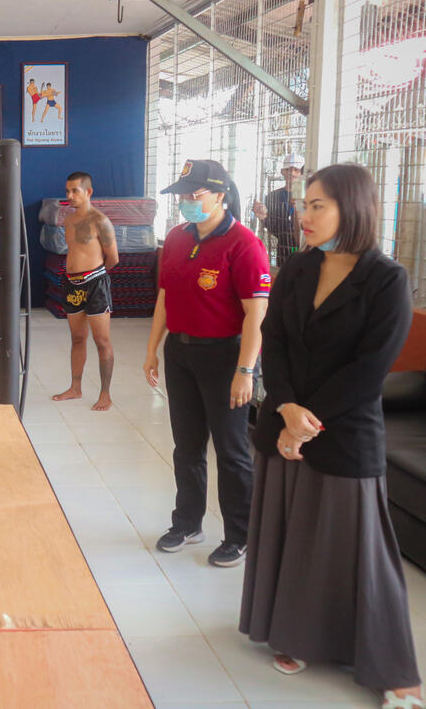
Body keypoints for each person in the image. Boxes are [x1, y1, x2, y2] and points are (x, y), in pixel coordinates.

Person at [240, 164, 423, 709]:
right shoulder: (297, 267)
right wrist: (288, 406)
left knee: (360, 547)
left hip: (345, 431)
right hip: (284, 421)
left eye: (318, 205)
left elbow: (373, 367)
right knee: (290, 534)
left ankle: (391, 666)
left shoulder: (387, 279)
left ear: (354, 208)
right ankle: (295, 634)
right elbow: (274, 341)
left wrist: (308, 419)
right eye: (304, 204)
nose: (304, 215)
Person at [143, 159, 270, 568]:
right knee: (187, 444)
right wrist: (152, 348)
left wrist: (245, 370)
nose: (186, 203)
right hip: (180, 353)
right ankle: (188, 523)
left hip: (224, 357)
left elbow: (256, 315)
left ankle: (240, 534)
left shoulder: (244, 244)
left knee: (232, 451)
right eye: (182, 196)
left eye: (194, 195)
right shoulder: (178, 238)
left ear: (220, 194)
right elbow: (166, 295)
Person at [52, 172, 119, 410]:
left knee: (102, 341)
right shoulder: (68, 220)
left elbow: (113, 258)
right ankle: (75, 387)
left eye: (75, 191)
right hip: (72, 284)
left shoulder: (100, 221)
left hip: (95, 283)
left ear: (88, 192)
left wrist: (95, 273)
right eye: (67, 191)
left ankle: (105, 394)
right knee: (78, 338)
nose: (69, 196)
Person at [252, 153, 304, 267]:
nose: (292, 173)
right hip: (284, 250)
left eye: (296, 170)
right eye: (288, 169)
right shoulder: (273, 196)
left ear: (302, 173)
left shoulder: (308, 196)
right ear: (282, 171)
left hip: (304, 249)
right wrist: (264, 217)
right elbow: (274, 228)